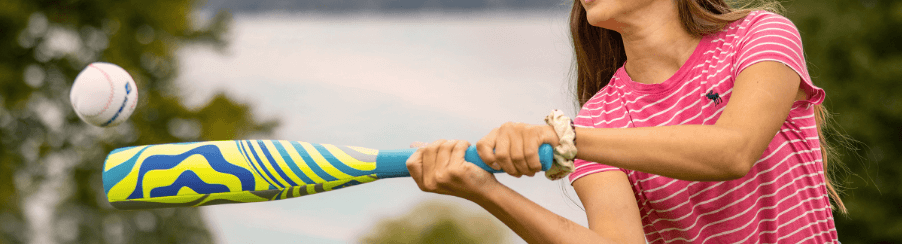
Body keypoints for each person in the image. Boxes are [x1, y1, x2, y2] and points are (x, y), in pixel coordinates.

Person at [405, 0, 845, 243]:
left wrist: (568, 139)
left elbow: (733, 151)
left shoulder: (759, 34)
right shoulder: (600, 118)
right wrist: (488, 192)